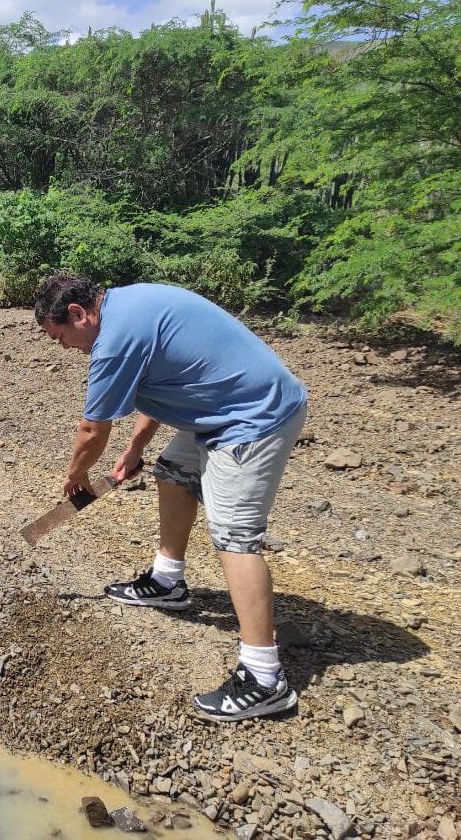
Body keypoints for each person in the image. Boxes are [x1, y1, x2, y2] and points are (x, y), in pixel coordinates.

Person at [33, 273, 308, 721]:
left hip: (253, 417)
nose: (63, 347)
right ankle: (167, 582)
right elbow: (163, 380)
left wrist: (75, 478)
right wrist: (137, 448)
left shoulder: (116, 339)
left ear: (79, 314)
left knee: (235, 538)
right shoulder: (130, 307)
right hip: (220, 411)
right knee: (174, 473)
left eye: (60, 335)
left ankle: (264, 677)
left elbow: (92, 429)